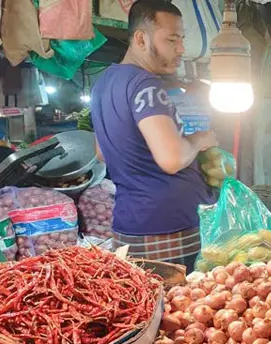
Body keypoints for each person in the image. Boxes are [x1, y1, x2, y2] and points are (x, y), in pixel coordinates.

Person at [90, 0, 218, 269]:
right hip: (168, 229)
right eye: (172, 40)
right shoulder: (145, 84)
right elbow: (171, 159)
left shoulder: (103, 83)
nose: (181, 48)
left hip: (132, 226)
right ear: (141, 39)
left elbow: (102, 153)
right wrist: (199, 139)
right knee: (179, 308)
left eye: (181, 39)